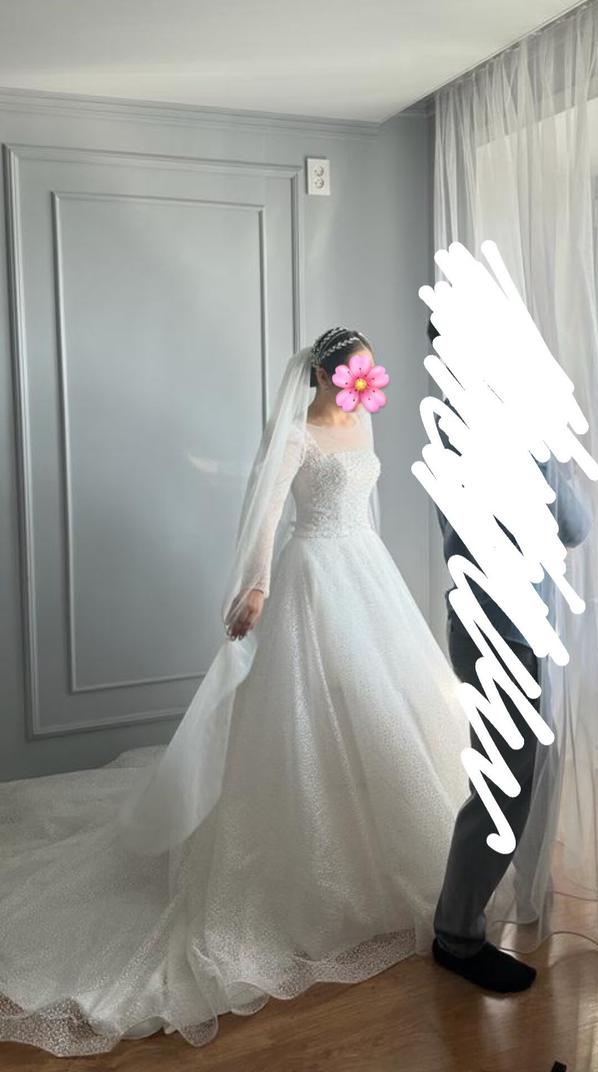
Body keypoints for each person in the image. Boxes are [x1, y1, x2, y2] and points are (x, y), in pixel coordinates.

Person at [0, 326, 471, 1058]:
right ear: (323, 375)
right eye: (354, 375)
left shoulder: (360, 423)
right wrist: (256, 586)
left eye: (370, 375)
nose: (364, 386)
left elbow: (364, 504)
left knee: (376, 712)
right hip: (313, 576)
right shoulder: (297, 435)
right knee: (299, 721)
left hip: (365, 571)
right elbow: (266, 512)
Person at [425, 316, 593, 993]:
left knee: (502, 781)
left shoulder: (449, 425)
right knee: (503, 788)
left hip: (478, 626)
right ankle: (457, 936)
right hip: (506, 635)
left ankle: (459, 923)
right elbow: (575, 526)